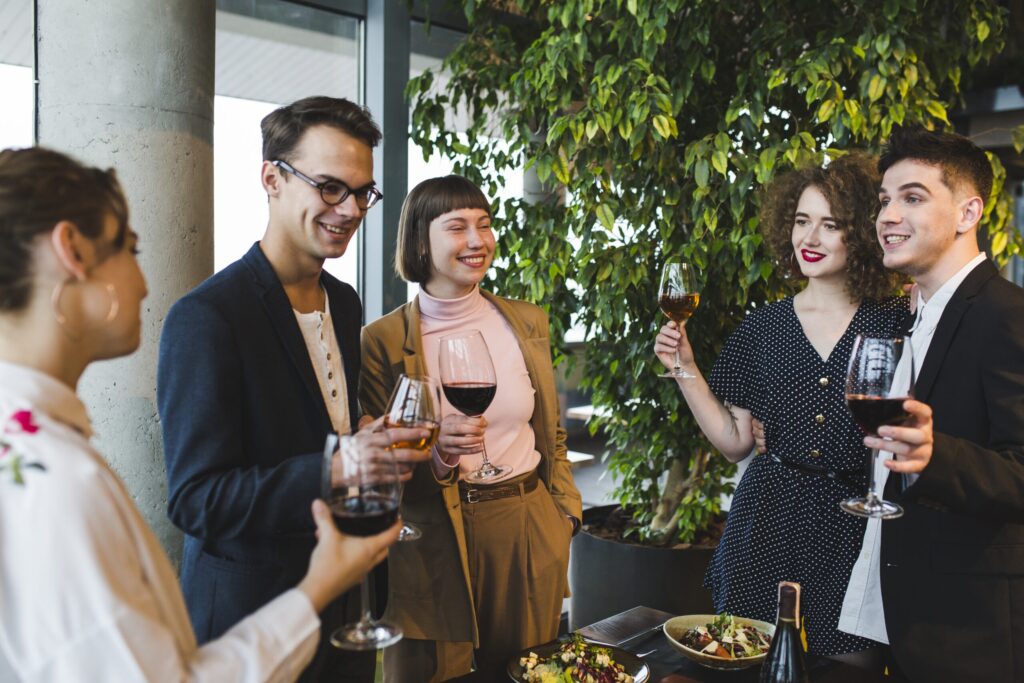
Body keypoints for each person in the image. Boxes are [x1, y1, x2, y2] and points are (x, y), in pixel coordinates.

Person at [0, 146, 400, 682]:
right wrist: (317, 585)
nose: (144, 284)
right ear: (71, 250)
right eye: (129, 247)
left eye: (361, 193)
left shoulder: (37, 453)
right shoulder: (58, 480)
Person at [157, 97, 431, 682]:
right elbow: (195, 500)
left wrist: (363, 439)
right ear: (271, 178)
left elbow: (317, 426)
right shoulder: (207, 317)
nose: (351, 208)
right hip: (250, 619)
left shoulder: (345, 300)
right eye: (331, 187)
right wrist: (336, 467)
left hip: (347, 603)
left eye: (363, 192)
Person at [654, 154, 906, 662]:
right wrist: (685, 367)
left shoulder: (898, 321)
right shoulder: (764, 326)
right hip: (764, 525)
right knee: (751, 660)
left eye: (829, 225)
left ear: (858, 233)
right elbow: (735, 443)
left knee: (845, 667)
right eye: (801, 221)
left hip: (854, 530)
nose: (809, 239)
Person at [359, 175, 582, 681]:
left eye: (484, 225)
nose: (477, 241)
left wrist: (563, 517)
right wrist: (440, 454)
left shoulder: (526, 322)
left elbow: (553, 432)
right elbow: (378, 460)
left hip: (525, 526)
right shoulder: (383, 340)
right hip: (432, 537)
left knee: (530, 672)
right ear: (420, 240)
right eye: (457, 227)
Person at [837, 127, 1024, 682]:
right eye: (885, 200)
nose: (888, 215)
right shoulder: (910, 318)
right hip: (902, 606)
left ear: (968, 213)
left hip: (971, 630)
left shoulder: (1006, 315)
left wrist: (935, 457)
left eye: (912, 198)